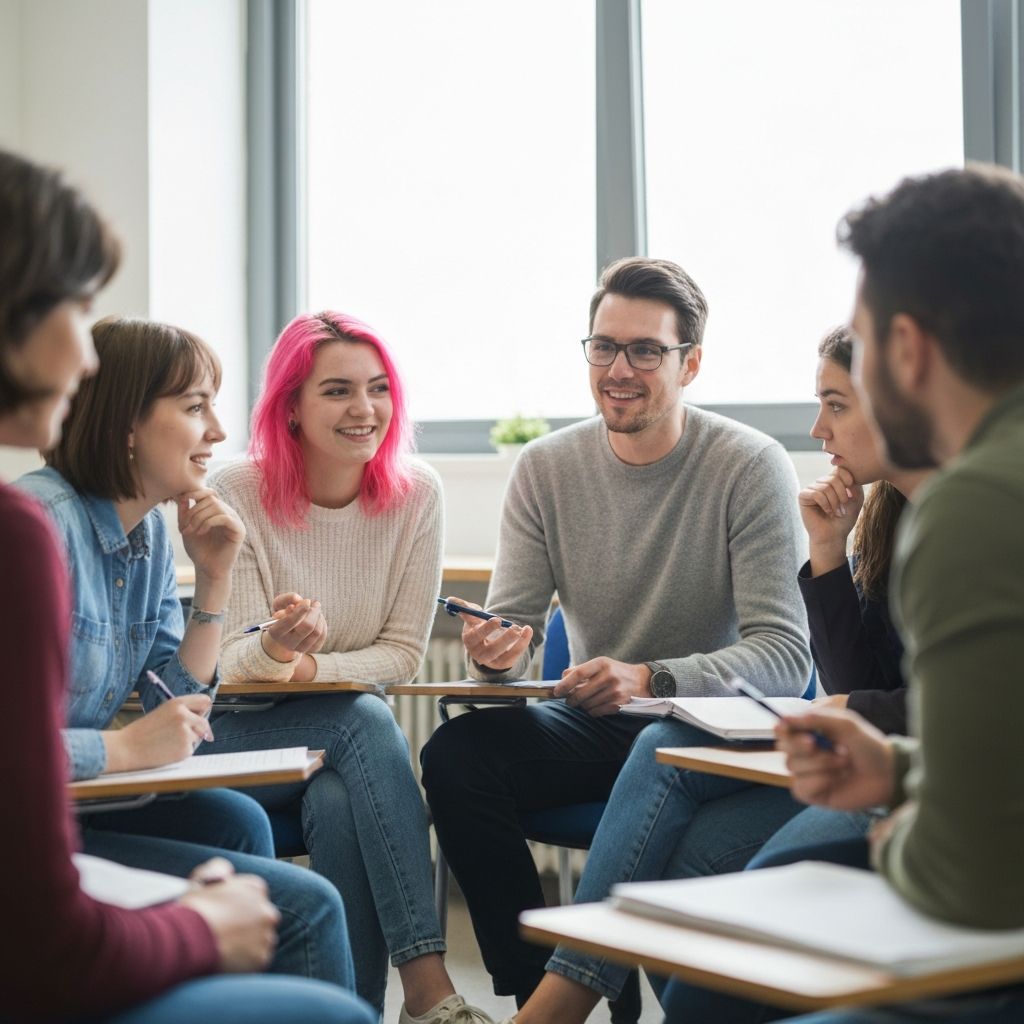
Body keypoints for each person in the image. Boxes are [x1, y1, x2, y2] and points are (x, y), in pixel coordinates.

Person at [0, 147, 373, 1023]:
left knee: (233, 819)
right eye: (195, 406)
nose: (215, 432)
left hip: (72, 808)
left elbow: (176, 703)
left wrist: (214, 578)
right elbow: (121, 742)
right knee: (304, 899)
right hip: (59, 822)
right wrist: (125, 752)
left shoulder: (138, 540)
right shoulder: (41, 527)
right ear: (128, 426)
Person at [662, 163, 1024, 1023]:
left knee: (716, 992)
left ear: (908, 349)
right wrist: (898, 768)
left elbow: (973, 881)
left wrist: (901, 836)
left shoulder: (974, 506)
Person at [493, 325, 926, 1024]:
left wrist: (858, 705)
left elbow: (969, 704)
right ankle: (581, 997)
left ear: (901, 403)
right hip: (867, 761)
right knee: (674, 842)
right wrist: (826, 551)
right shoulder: (893, 518)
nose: (818, 428)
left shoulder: (970, 525)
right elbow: (857, 672)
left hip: (919, 781)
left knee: (665, 770)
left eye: (836, 404)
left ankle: (563, 997)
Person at [420, 256, 813, 1011]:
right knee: (456, 757)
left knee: (650, 740)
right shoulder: (544, 468)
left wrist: (649, 677)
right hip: (598, 726)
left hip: (707, 733)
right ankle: (535, 990)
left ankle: (559, 1006)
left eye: (645, 350)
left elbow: (786, 658)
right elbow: (515, 627)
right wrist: (495, 656)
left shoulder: (750, 465)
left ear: (690, 363)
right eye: (603, 346)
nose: (618, 369)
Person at [208, 311, 491, 1024]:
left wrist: (301, 668)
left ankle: (353, 1010)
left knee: (339, 794)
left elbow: (401, 654)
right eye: (337, 390)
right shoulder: (237, 488)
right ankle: (429, 989)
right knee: (363, 717)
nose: (364, 410)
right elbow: (231, 670)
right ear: (292, 409)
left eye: (378, 387)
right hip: (233, 735)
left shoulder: (417, 494)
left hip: (332, 750)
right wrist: (275, 651)